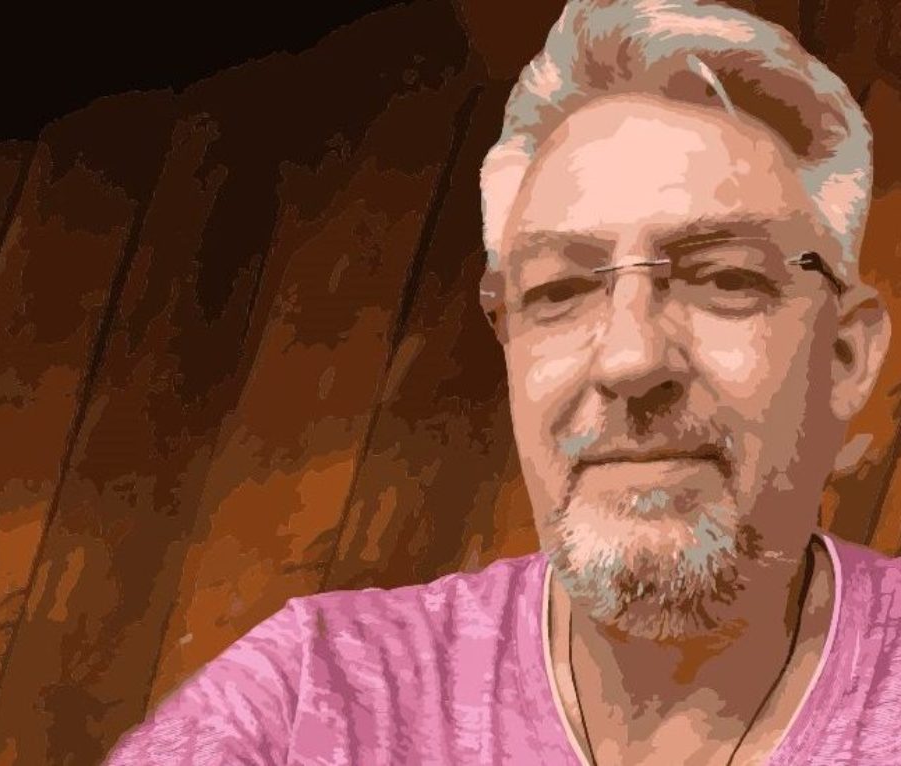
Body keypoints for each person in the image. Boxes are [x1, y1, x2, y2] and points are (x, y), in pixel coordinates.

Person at [104, 1, 901, 763]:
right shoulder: (307, 700)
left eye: (725, 278)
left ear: (845, 355)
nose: (629, 360)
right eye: (560, 290)